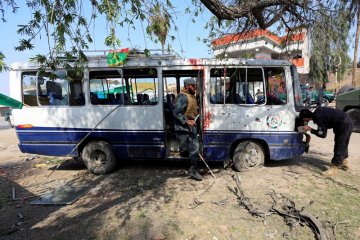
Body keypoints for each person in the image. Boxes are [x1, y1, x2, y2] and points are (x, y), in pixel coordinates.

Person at [299, 108, 353, 176]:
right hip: (346, 122)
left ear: (306, 118)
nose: (304, 121)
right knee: (343, 143)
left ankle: (335, 167)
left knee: (340, 144)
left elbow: (322, 134)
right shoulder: (318, 112)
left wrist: (310, 129)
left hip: (344, 124)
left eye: (304, 120)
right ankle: (344, 162)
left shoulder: (318, 117)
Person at [173, 77, 202, 181]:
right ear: (187, 86)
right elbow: (176, 112)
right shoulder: (182, 97)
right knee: (185, 149)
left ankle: (193, 170)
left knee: (194, 148)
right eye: (193, 86)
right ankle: (190, 169)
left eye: (195, 86)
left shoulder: (192, 96)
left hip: (191, 128)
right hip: (183, 128)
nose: (195, 88)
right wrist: (186, 120)